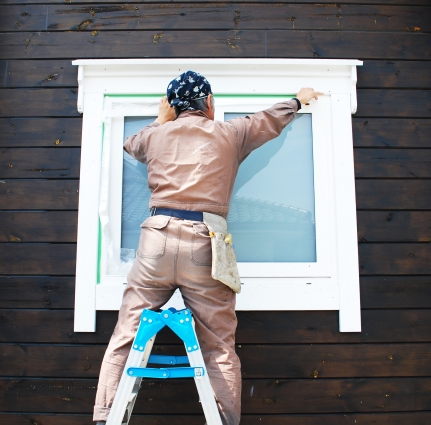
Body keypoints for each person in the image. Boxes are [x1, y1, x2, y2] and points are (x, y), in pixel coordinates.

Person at [93, 70, 322, 425]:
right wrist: (299, 99)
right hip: (205, 240)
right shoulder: (230, 133)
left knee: (126, 334)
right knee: (217, 347)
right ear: (209, 103)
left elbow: (131, 144)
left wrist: (160, 119)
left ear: (173, 106)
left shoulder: (153, 136)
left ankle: (105, 416)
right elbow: (270, 120)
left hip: (156, 235)